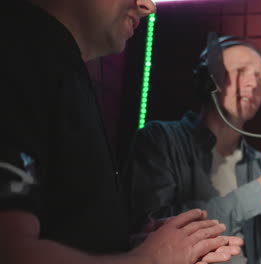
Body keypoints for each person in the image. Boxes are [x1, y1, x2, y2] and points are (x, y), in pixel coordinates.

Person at [0, 1, 243, 264]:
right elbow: (11, 251)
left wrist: (129, 244)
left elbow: (62, 228)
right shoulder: (17, 50)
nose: (148, 6)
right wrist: (152, 258)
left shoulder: (61, 69)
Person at [126, 36, 261, 263]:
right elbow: (150, 232)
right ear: (208, 79)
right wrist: (255, 197)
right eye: (241, 71)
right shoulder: (160, 139)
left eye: (260, 77)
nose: (253, 84)